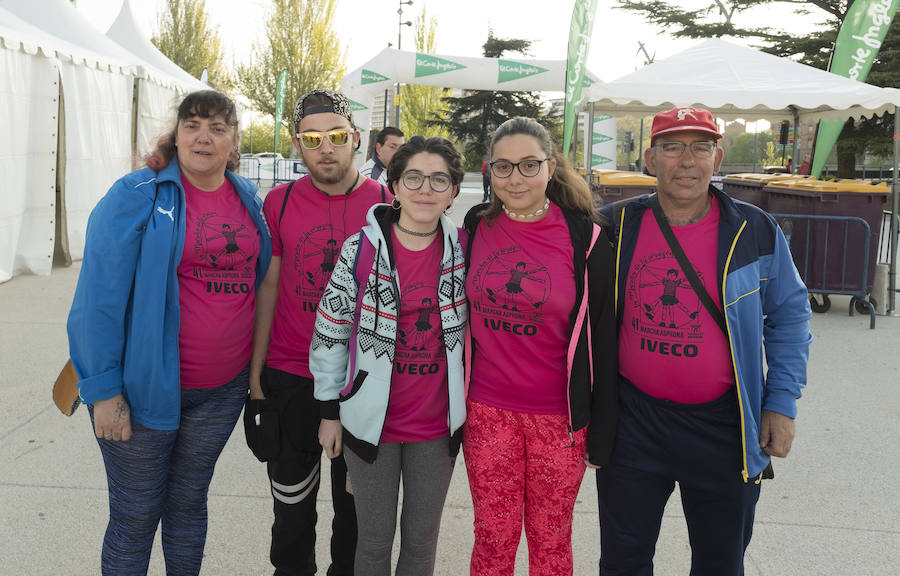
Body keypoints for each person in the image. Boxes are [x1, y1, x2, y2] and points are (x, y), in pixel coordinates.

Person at [597, 106, 812, 575]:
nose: (687, 160)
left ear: (719, 159)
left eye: (701, 147)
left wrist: (781, 403)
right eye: (672, 147)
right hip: (634, 422)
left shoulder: (753, 231)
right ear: (650, 160)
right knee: (623, 559)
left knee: (720, 561)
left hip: (725, 425)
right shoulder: (614, 227)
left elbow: (791, 316)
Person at [66, 89, 272, 575]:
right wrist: (103, 390)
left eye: (217, 128)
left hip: (220, 392)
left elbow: (260, 281)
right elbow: (97, 300)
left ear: (234, 141)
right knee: (135, 518)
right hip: (142, 391)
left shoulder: (246, 198)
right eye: (193, 125)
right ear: (177, 134)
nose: (204, 137)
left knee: (187, 505)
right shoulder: (136, 195)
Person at [462, 117, 618, 575]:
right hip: (486, 412)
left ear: (551, 167)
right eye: (504, 167)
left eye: (529, 165)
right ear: (489, 171)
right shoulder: (475, 225)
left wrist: (602, 424)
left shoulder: (585, 237)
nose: (515, 178)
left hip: (560, 420)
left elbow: (603, 335)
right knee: (492, 537)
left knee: (551, 542)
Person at [310, 135, 468, 576]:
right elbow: (331, 331)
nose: (425, 189)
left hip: (437, 428)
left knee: (421, 544)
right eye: (413, 177)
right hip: (368, 425)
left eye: (439, 179)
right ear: (394, 185)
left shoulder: (466, 250)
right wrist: (329, 411)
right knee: (373, 543)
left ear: (454, 191)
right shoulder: (360, 249)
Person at [247, 89, 390, 576]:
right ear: (297, 144)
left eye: (335, 137)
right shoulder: (280, 202)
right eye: (312, 138)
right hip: (291, 377)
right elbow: (269, 287)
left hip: (361, 384)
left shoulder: (387, 203)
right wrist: (256, 377)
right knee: (291, 518)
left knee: (354, 520)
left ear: (356, 139)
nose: (325, 148)